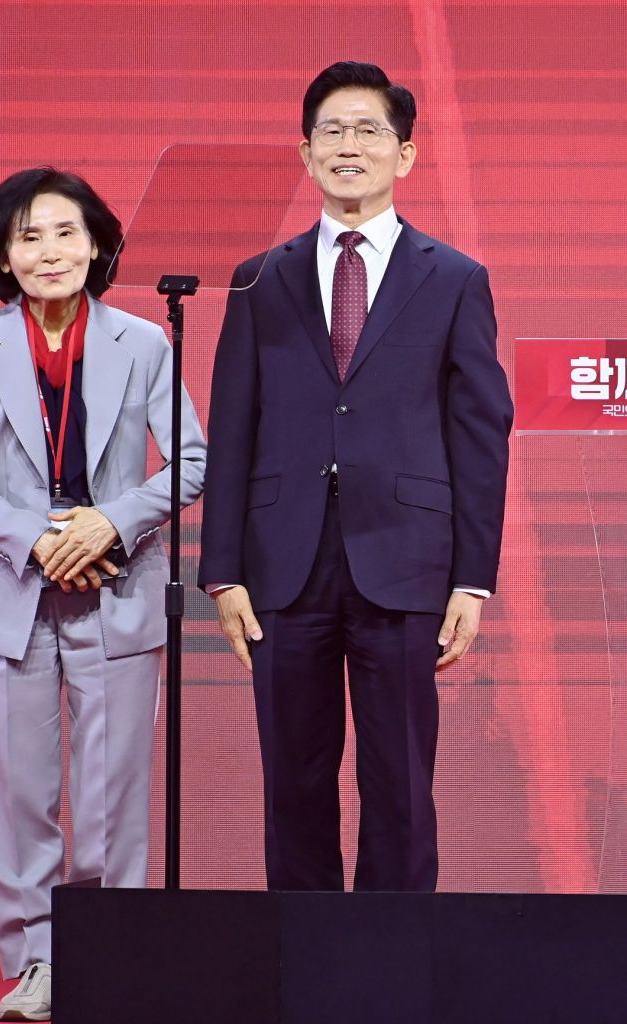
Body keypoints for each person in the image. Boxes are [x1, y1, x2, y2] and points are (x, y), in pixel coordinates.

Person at [198, 62, 513, 894]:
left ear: (403, 154)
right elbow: (232, 428)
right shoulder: (258, 278)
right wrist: (222, 570)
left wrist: (471, 579)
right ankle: (305, 957)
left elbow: (480, 435)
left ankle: (393, 958)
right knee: (292, 784)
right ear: (305, 153)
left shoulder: (454, 279)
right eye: (331, 130)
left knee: (400, 783)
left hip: (406, 559)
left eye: (369, 130)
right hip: (282, 562)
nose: (349, 145)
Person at [0, 167, 206, 1021]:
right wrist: (40, 538)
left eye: (65, 232)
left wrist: (110, 523)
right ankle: (38, 965)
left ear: (97, 245)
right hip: (10, 594)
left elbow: (192, 461)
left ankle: (111, 958)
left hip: (116, 589)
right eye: (28, 237)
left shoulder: (144, 342)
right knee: (18, 798)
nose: (49, 252)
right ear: (1, 257)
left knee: (112, 795)